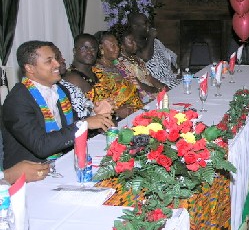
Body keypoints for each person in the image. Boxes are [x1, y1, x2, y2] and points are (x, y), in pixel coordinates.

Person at [2, 41, 113, 169]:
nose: (57, 64)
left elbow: (72, 127)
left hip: (63, 162)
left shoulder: (60, 91)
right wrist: (85, 124)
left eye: (56, 59)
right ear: (30, 68)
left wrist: (97, 115)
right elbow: (41, 146)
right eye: (49, 61)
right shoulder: (17, 100)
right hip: (32, 175)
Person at [50, 39, 112, 119]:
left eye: (93, 49)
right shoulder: (72, 79)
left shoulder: (97, 71)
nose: (90, 52)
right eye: (85, 48)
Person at [92, 31, 143, 119]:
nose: (117, 48)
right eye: (113, 45)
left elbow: (134, 87)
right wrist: (116, 112)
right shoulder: (97, 72)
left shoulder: (118, 64)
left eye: (117, 44)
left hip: (138, 109)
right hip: (121, 118)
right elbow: (101, 103)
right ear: (101, 48)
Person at [129, 13, 181, 89]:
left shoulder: (155, 42)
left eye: (148, 22)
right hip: (159, 83)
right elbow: (145, 57)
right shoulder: (132, 45)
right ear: (135, 27)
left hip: (172, 78)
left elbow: (167, 57)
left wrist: (177, 72)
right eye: (145, 23)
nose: (148, 26)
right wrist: (151, 37)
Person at [115, 25, 166, 103]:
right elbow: (138, 86)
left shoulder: (136, 58)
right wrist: (157, 90)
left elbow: (150, 78)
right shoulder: (121, 64)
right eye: (131, 42)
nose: (136, 44)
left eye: (135, 40)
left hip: (153, 92)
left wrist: (163, 88)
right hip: (143, 97)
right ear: (121, 46)